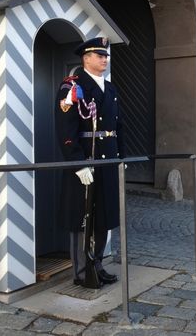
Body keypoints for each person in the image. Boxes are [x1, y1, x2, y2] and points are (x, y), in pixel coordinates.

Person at [55, 37, 125, 287]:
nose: (104, 59)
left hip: (107, 161)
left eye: (105, 55)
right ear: (85, 58)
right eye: (99, 55)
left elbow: (117, 127)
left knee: (104, 215)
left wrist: (121, 157)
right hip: (86, 161)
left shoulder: (111, 88)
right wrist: (78, 164)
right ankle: (82, 272)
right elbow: (66, 130)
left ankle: (97, 265)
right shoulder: (71, 87)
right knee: (82, 217)